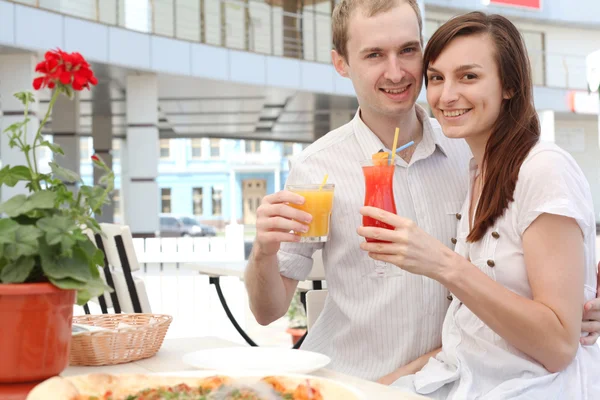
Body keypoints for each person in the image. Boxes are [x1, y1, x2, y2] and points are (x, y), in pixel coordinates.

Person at [244, 0, 600, 382]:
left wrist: (577, 302)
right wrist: (263, 252)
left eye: (408, 51)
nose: (396, 72)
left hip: (452, 379)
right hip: (360, 382)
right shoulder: (317, 167)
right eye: (374, 55)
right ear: (341, 63)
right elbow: (268, 312)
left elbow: (531, 278)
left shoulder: (474, 152)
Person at [358, 11, 600, 398]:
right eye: (436, 78)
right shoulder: (477, 173)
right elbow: (473, 337)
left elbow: (558, 347)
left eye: (468, 76)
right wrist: (361, 389)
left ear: (509, 85)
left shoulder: (544, 169)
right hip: (468, 380)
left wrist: (443, 264)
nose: (446, 95)